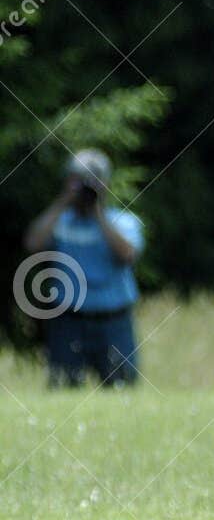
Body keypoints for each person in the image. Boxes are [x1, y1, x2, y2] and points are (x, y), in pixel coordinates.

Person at [23, 150, 145, 387]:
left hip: (114, 320)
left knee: (122, 387)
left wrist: (98, 212)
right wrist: (63, 201)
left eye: (94, 179)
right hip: (69, 320)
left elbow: (127, 254)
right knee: (64, 385)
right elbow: (33, 244)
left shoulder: (122, 220)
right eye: (78, 179)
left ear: (106, 184)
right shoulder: (60, 221)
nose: (86, 187)